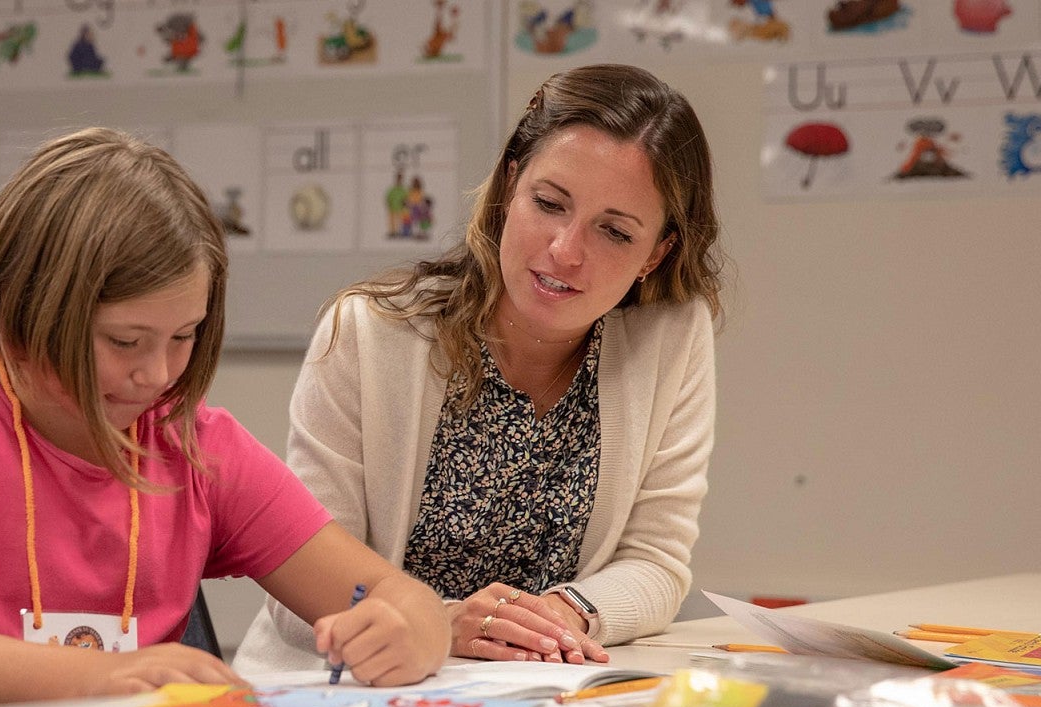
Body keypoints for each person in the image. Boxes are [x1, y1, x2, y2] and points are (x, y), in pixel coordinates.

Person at [0, 127, 449, 707]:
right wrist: (105, 679)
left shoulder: (196, 446)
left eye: (184, 337)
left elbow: (392, 595)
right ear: (20, 311)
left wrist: (411, 631)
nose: (154, 374)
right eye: (125, 341)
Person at [235, 64, 723, 673]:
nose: (565, 251)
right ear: (509, 188)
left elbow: (657, 561)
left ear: (657, 252)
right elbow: (298, 582)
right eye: (548, 204)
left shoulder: (671, 338)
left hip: (544, 697)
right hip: (354, 693)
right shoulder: (366, 333)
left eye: (615, 232)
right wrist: (439, 622)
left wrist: (562, 613)